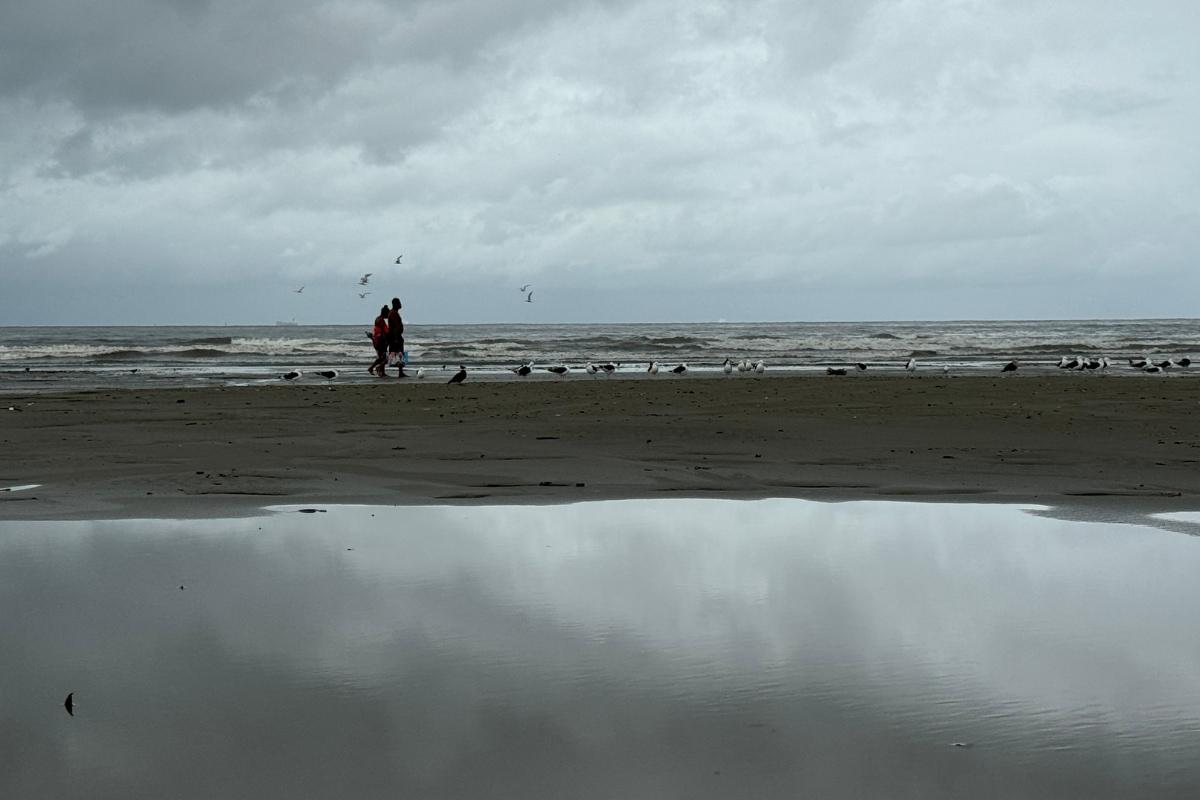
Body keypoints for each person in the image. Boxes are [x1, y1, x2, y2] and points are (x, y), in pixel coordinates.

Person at [386, 297, 408, 377]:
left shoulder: (394, 312)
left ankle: (400, 371)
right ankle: (400, 372)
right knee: (398, 353)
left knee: (399, 354)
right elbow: (395, 327)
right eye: (399, 302)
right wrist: (396, 338)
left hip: (397, 336)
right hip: (395, 336)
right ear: (395, 304)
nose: (400, 304)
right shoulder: (393, 313)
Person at [368, 305, 389, 376]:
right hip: (380, 342)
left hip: (376, 340)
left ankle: (382, 372)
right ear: (385, 313)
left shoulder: (378, 319)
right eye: (387, 313)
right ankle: (373, 368)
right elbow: (384, 332)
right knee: (385, 358)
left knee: (381, 357)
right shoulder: (381, 321)